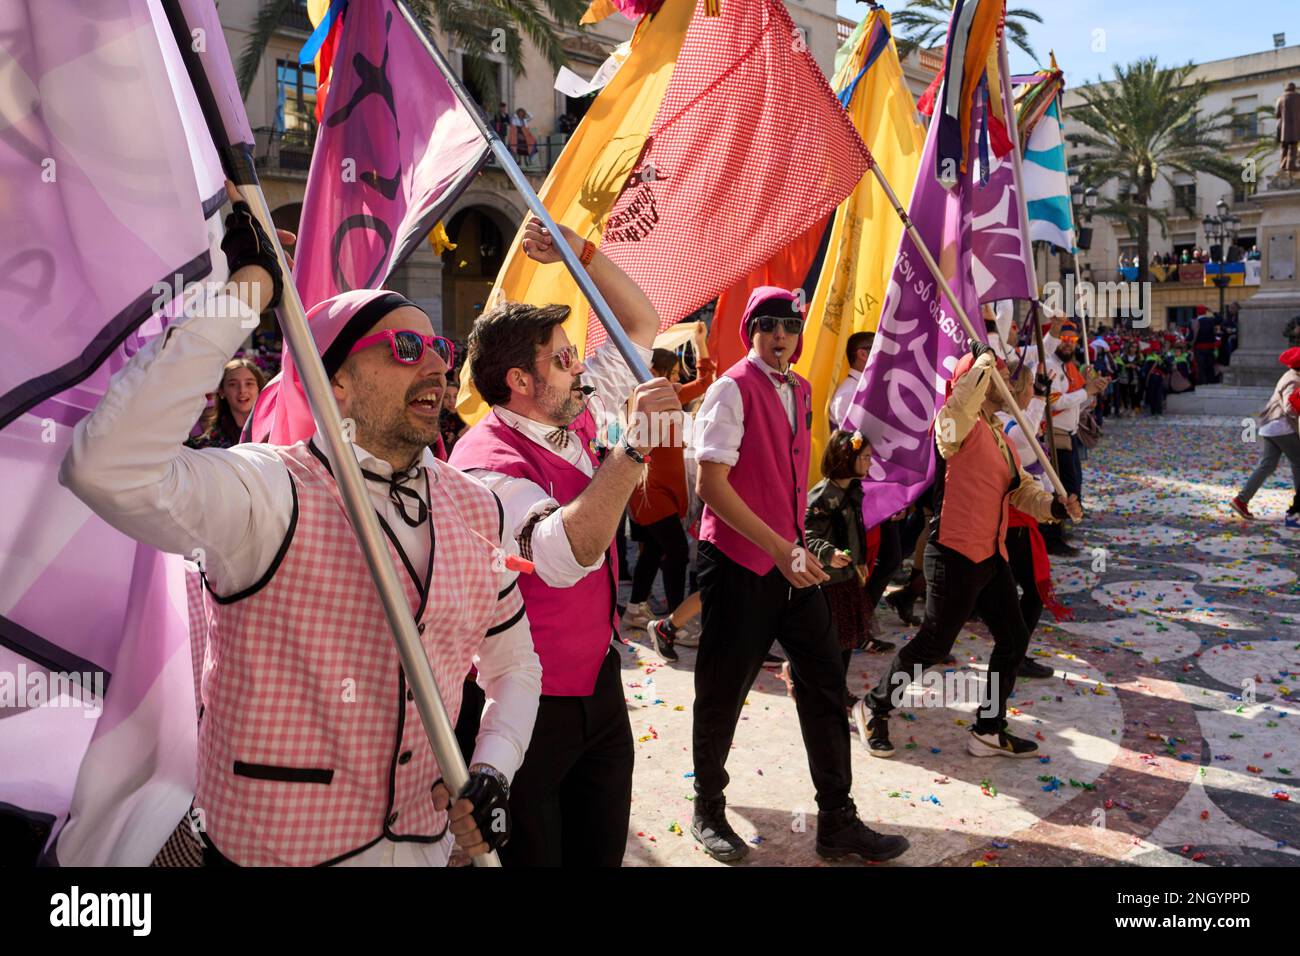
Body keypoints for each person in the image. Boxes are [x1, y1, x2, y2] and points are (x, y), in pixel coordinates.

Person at [62, 200, 541, 866]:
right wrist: (244, 293)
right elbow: (107, 468)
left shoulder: (479, 509)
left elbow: (514, 666)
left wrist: (494, 766)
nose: (436, 366)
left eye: (441, 349)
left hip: (423, 850)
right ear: (335, 383)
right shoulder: (267, 491)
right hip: (274, 849)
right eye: (407, 348)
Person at [448, 217, 682, 867]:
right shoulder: (483, 463)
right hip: (528, 710)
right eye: (563, 358)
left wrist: (579, 252)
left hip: (599, 690)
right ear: (520, 382)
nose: (581, 368)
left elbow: (643, 321)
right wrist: (634, 446)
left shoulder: (570, 411)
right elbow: (560, 556)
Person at [688, 286, 909, 864]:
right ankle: (707, 805)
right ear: (749, 330)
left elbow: (787, 484)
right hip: (739, 563)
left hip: (791, 564)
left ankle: (837, 819)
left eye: (789, 323)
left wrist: (802, 547)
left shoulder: (804, 388)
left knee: (826, 684)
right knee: (722, 688)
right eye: (767, 324)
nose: (780, 334)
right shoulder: (728, 389)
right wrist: (783, 548)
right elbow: (712, 488)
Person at [855, 342, 1081, 761]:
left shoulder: (998, 435)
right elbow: (956, 415)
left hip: (990, 557)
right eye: (1003, 377)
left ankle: (988, 728)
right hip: (954, 554)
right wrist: (981, 365)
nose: (1016, 384)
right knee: (933, 645)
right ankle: (873, 706)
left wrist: (1053, 506)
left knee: (1013, 638)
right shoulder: (955, 424)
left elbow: (1019, 491)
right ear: (980, 381)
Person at [624, 348, 717, 660]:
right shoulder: (640, 398)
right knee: (676, 552)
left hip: (667, 491)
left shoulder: (673, 394)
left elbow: (705, 381)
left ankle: (636, 608)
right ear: (660, 370)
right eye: (675, 371)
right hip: (650, 491)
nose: (679, 377)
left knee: (653, 550)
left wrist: (701, 344)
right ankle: (677, 622)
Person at [805, 430, 894, 706]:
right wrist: (828, 553)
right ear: (847, 458)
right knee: (828, 643)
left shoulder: (853, 490)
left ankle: (837, 689)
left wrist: (859, 562)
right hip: (827, 583)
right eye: (865, 457)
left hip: (847, 579)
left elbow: (855, 532)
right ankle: (818, 690)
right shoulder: (822, 497)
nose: (870, 463)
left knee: (845, 640)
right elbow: (807, 537)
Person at [1231, 347, 1300, 527]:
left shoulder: (1290, 375)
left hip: (1270, 426)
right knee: (1299, 462)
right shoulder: (1294, 380)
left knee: (1267, 465)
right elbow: (1290, 407)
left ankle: (1241, 500)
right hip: (1281, 426)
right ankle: (1295, 513)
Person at [187, 357, 265, 449]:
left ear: (259, 388)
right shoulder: (209, 444)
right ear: (221, 391)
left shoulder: (273, 429)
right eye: (233, 384)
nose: (242, 390)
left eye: (249, 383)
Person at [828, 330, 874, 429]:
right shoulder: (848, 393)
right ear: (862, 354)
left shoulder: (861, 387)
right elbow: (853, 441)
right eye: (879, 348)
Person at [1277, 81, 1300, 178]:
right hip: (1295, 127)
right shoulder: (1298, 97)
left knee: (1284, 147)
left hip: (1284, 128)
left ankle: (1283, 165)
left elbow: (1277, 114)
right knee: (1293, 146)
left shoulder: (1280, 98)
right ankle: (1291, 165)